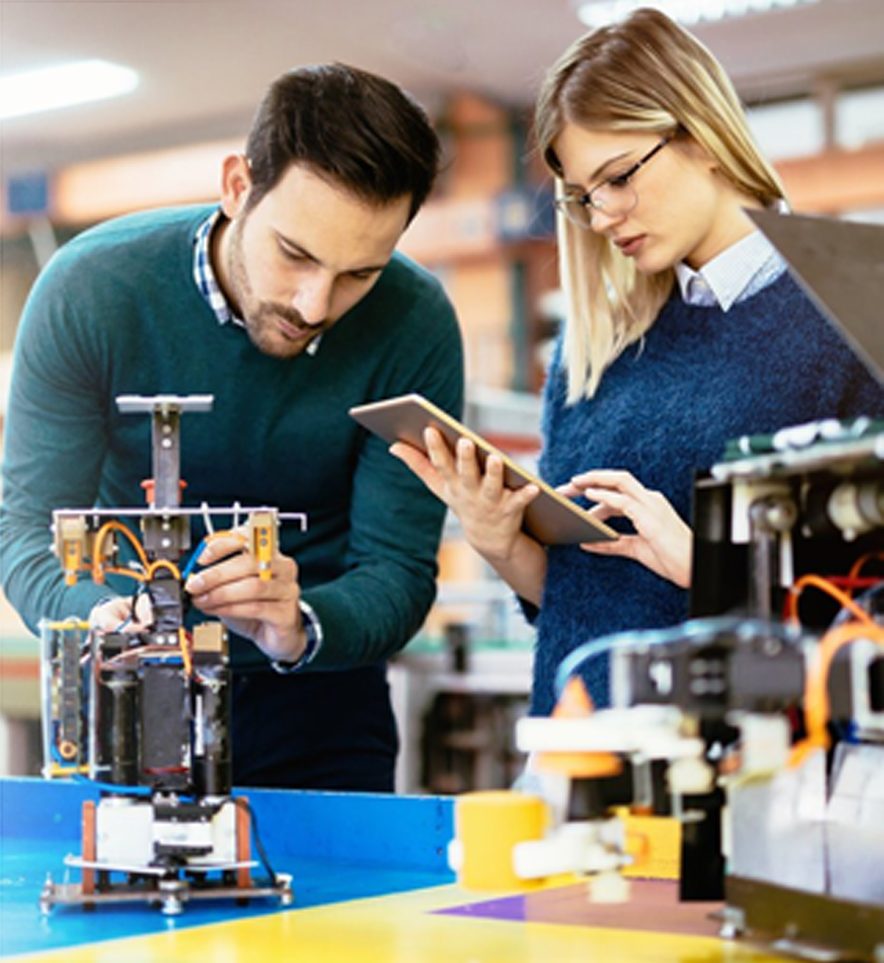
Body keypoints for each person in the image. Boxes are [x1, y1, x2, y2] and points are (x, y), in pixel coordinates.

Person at [391, 8, 884, 718]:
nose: (601, 217)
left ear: (701, 135)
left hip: (737, 769)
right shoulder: (595, 348)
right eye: (583, 197)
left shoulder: (844, 313)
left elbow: (862, 605)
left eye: (618, 177)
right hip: (571, 754)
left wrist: (708, 569)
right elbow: (574, 600)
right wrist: (502, 544)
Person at [0, 63, 464, 792]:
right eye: (296, 254)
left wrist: (302, 620)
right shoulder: (90, 291)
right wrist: (102, 617)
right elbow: (25, 532)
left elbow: (398, 571)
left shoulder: (413, 321)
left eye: (359, 275)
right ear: (237, 186)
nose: (315, 304)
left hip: (322, 706)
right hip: (127, 688)